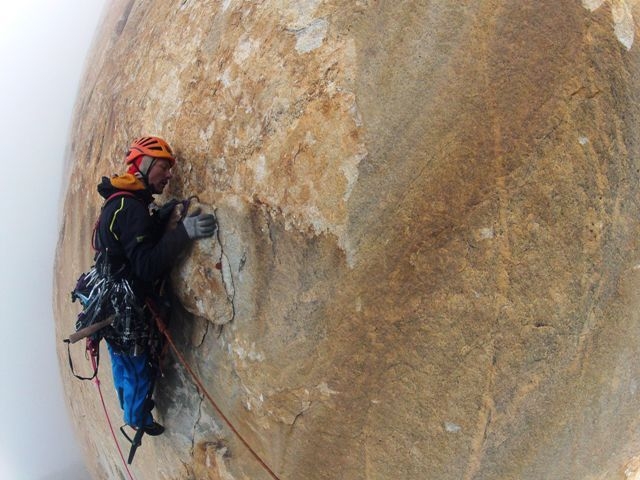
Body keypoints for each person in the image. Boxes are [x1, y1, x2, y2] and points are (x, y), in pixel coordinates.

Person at [93, 136, 216, 436]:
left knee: (120, 357)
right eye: (163, 167)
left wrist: (159, 219)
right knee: (135, 363)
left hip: (107, 295)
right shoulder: (131, 207)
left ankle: (127, 404)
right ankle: (136, 416)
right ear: (144, 165)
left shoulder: (123, 199)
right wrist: (183, 232)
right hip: (124, 302)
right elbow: (146, 266)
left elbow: (130, 240)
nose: (169, 175)